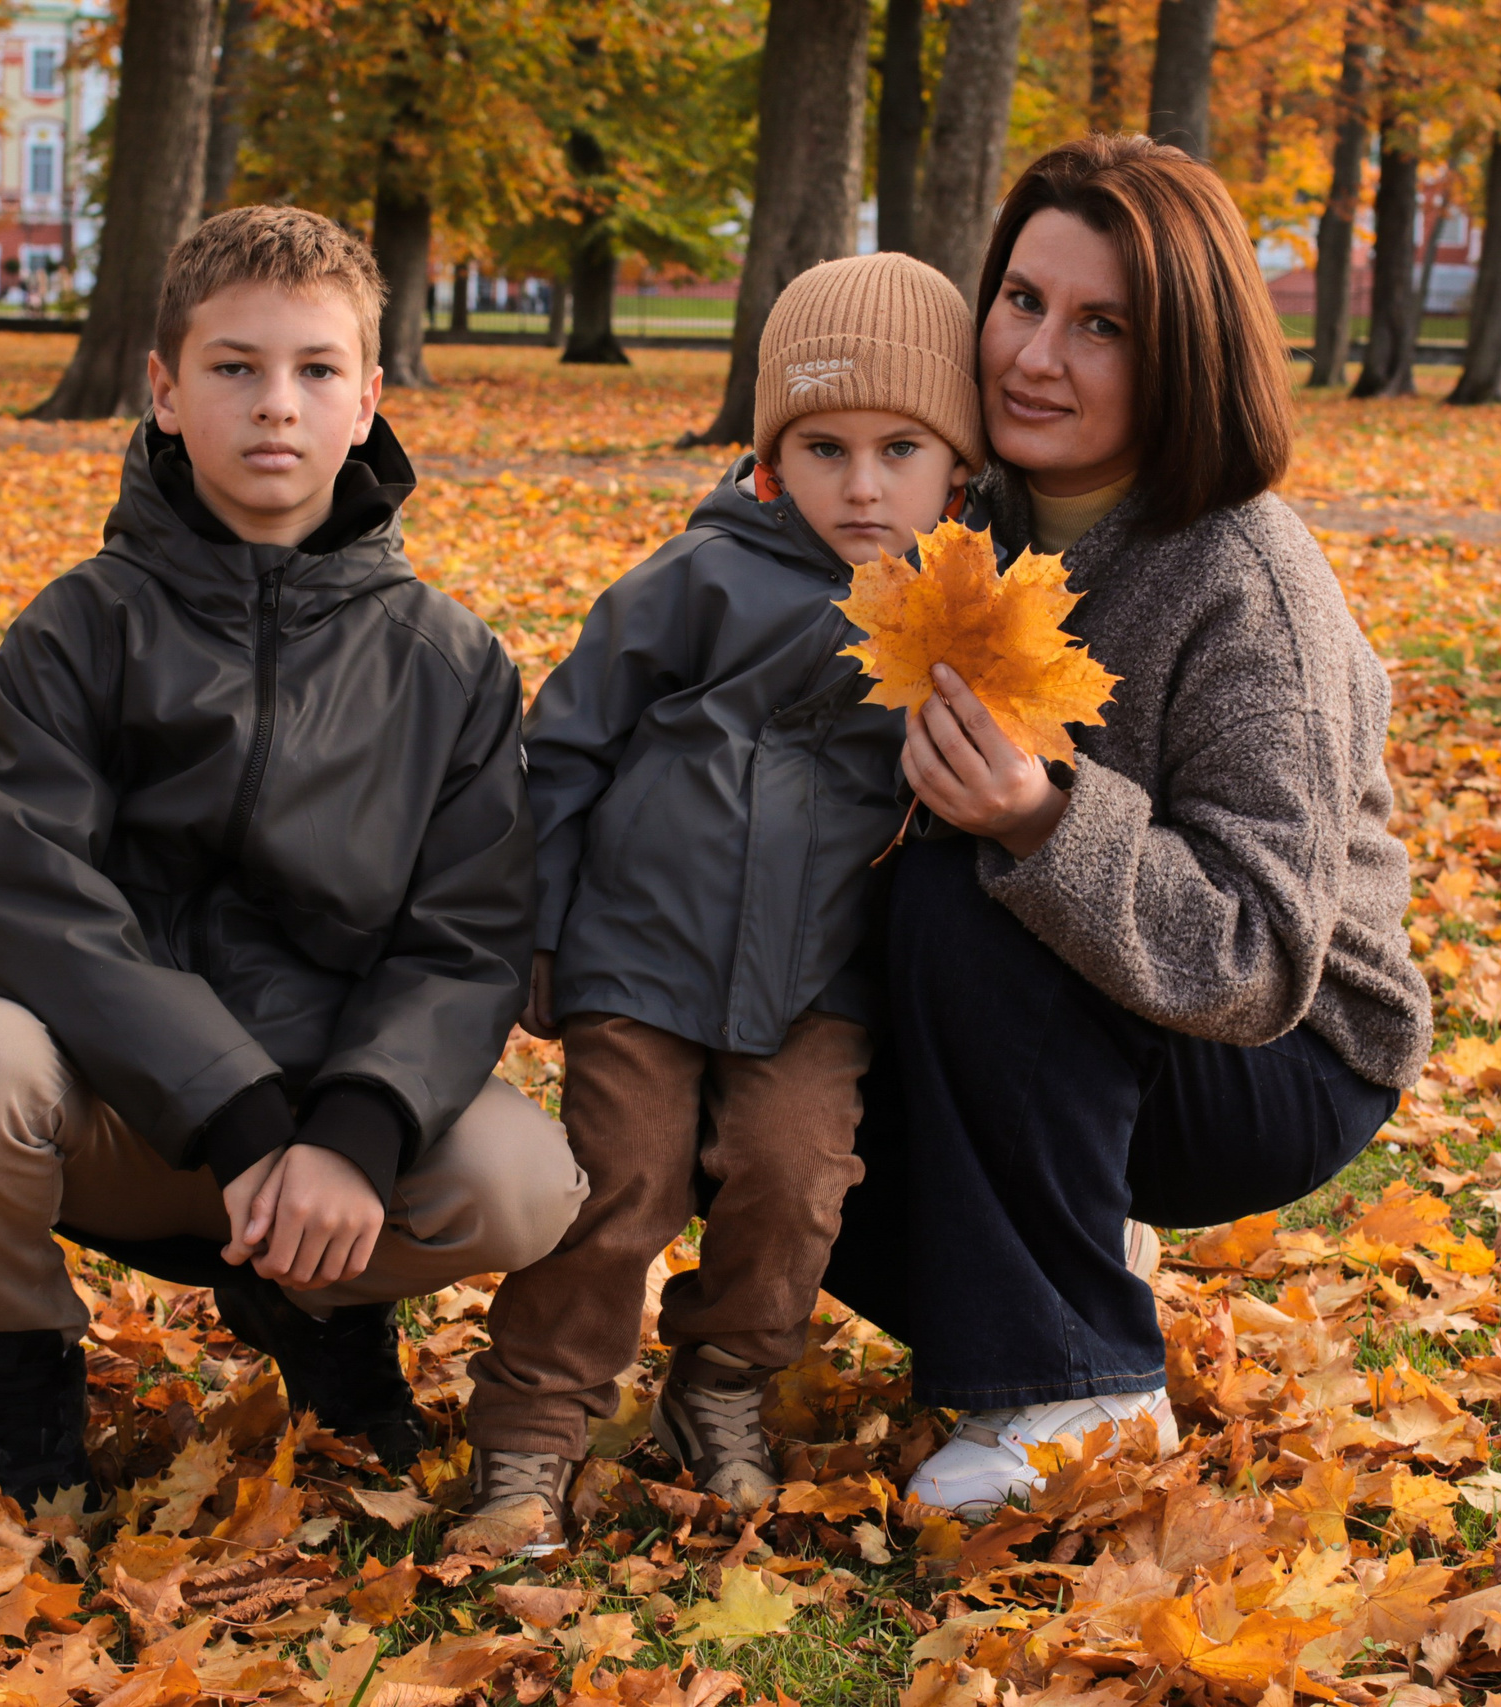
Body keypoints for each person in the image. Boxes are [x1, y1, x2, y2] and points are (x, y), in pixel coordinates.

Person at [0, 206, 587, 1518]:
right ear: (163, 389)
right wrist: (240, 1115)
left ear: (371, 397)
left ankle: (316, 1302)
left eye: (318, 370)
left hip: (336, 1131)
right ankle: (24, 1364)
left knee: (525, 1180)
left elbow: (467, 938)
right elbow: (35, 902)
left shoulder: (449, 663)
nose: (278, 406)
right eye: (234, 367)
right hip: (124, 1115)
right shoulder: (78, 632)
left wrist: (349, 1133)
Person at [825, 135, 1433, 1516]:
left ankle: (1088, 1387)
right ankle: (1069, 1276)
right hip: (1056, 1035)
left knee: (963, 895)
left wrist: (1044, 820)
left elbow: (1268, 954)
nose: (1039, 355)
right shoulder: (945, 513)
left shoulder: (1244, 582)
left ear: (1186, 356)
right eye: (1025, 301)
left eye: (1104, 326)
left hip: (1285, 1057)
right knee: (746, 1055)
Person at [451, 253, 985, 1553]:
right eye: (823, 448)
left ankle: (720, 1386)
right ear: (769, 458)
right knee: (617, 1186)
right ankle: (529, 1435)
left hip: (815, 981)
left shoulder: (964, 612)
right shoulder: (697, 579)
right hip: (645, 955)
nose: (861, 485)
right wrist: (538, 926)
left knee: (796, 1181)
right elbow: (567, 743)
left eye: (900, 450)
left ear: (956, 470)